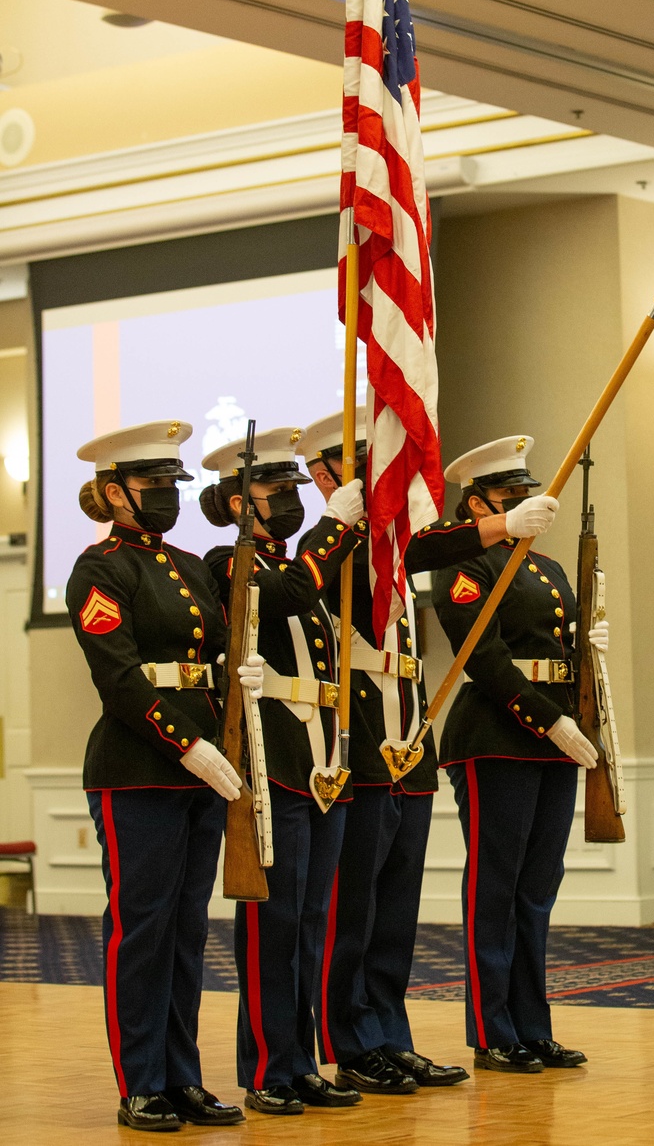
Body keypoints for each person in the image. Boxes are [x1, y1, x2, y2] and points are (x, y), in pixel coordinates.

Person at [297, 410, 560, 1095]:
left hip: (405, 732)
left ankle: (388, 1030)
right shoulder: (327, 547)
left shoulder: (397, 543)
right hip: (354, 727)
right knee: (352, 903)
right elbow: (305, 593)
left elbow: (432, 545)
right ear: (325, 477)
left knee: (396, 905)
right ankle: (351, 1040)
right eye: (364, 470)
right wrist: (336, 523)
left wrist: (504, 526)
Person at [68, 421, 247, 1133]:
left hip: (202, 768)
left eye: (176, 486)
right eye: (154, 488)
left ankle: (183, 1078)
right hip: (139, 768)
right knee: (140, 931)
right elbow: (117, 677)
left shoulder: (191, 564)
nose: (169, 498)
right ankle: (141, 1082)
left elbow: (216, 652)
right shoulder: (101, 568)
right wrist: (186, 745)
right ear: (115, 493)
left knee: (186, 932)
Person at [201, 426, 368, 1118]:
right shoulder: (226, 561)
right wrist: (334, 528)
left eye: (294, 491)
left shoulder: (298, 562)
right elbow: (290, 595)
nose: (290, 503)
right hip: (271, 759)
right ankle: (268, 1065)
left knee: (308, 921)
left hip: (318, 759)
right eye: (275, 492)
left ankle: (299, 1062)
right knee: (273, 923)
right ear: (240, 503)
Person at [432, 434, 607, 1074]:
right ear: (476, 503)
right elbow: (483, 657)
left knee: (537, 888)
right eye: (509, 497)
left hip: (553, 739)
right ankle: (492, 1028)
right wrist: (549, 720)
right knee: (495, 887)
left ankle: (532, 1025)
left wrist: (591, 644)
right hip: (498, 737)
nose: (523, 505)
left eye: (523, 494)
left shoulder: (545, 566)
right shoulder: (463, 567)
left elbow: (558, 643)